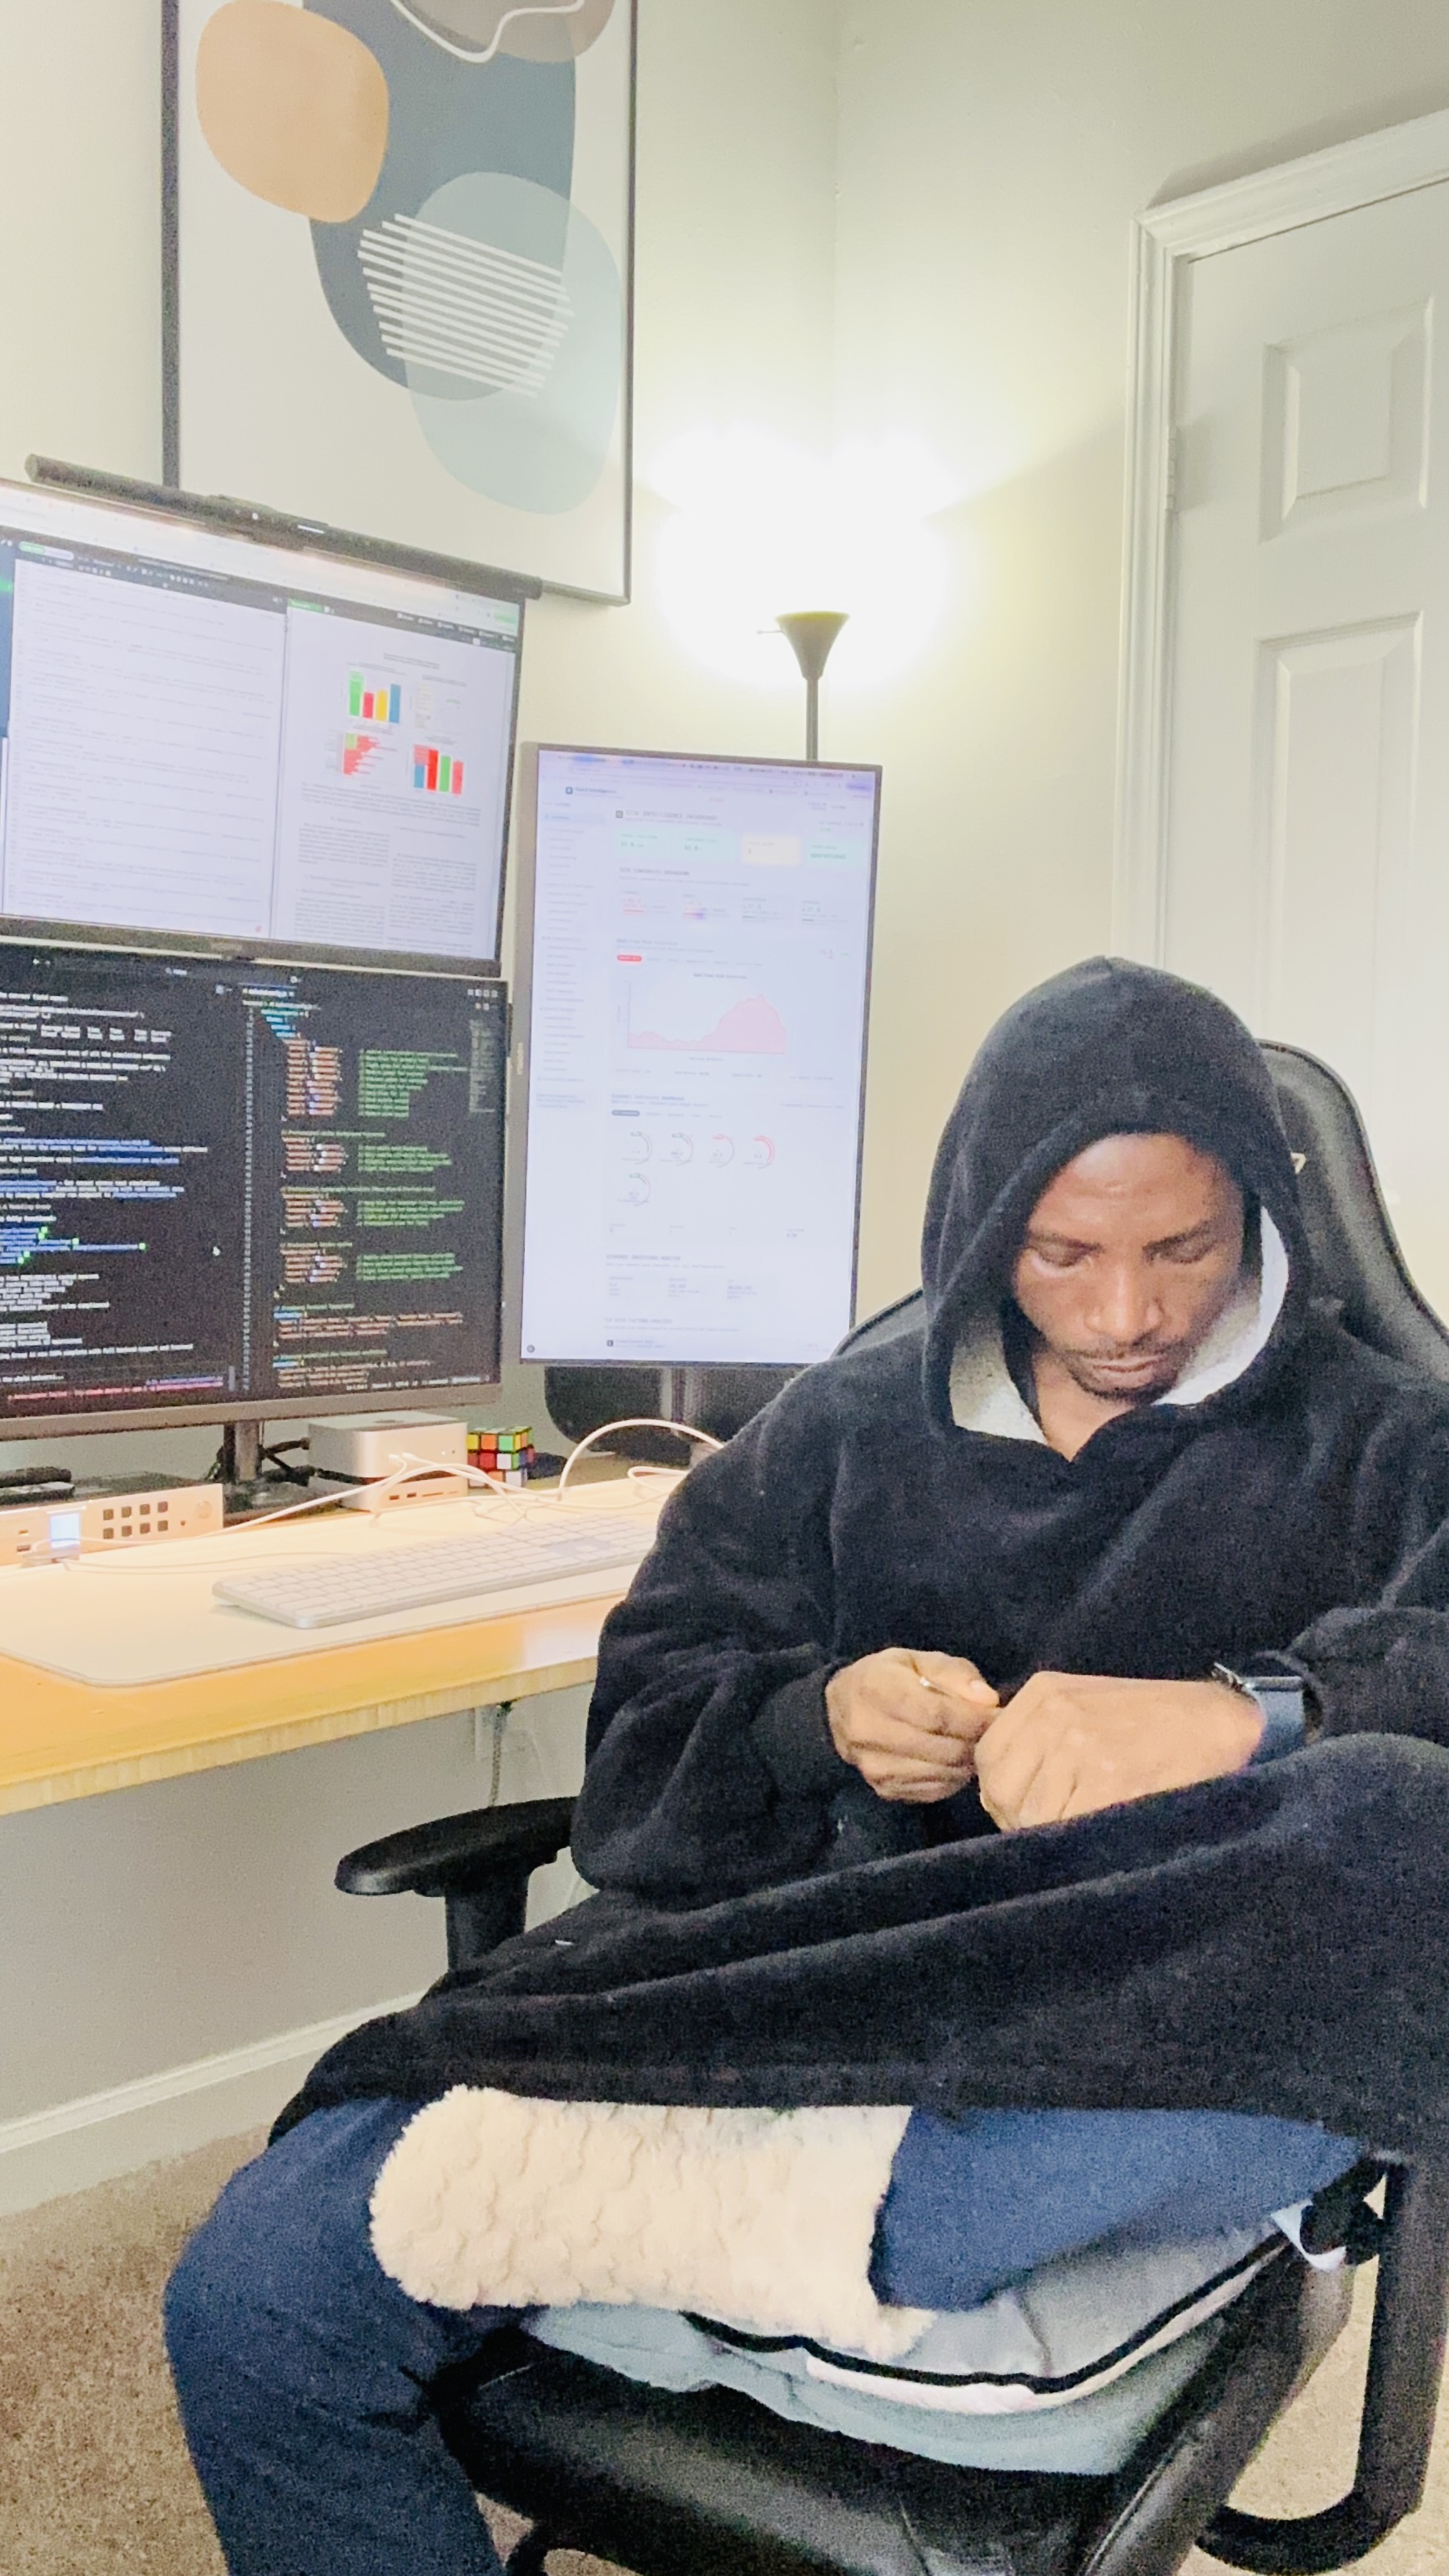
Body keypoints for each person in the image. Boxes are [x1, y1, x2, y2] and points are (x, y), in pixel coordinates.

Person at [166, 958, 1449, 2576]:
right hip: (784, 1966)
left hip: (1120, 1997)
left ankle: (705, 2185)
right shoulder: (834, 1430)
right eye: (1062, 1254)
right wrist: (810, 1715)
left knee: (1400, 1818)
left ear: (1261, 1211)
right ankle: (783, 2184)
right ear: (988, 1230)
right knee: (253, 2284)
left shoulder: (1390, 1442)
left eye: (1180, 1249)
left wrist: (1253, 1710)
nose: (1126, 1313)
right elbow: (643, 1730)